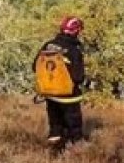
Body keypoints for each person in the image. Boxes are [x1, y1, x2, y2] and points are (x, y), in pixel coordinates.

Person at [33, 16, 87, 151]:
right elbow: (78, 77)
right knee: (74, 126)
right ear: (76, 31)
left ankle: (54, 152)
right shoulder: (74, 50)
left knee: (55, 126)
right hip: (69, 96)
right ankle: (77, 151)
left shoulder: (48, 45)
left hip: (50, 94)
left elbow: (35, 66)